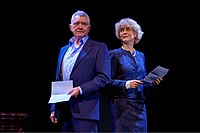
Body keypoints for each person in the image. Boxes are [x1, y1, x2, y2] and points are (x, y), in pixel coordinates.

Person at [49, 10, 111, 132]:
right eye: (76, 23)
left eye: (84, 24)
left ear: (89, 28)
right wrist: (53, 108)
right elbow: (58, 80)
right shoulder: (63, 50)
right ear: (70, 27)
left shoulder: (99, 47)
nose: (80, 26)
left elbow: (104, 78)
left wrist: (80, 89)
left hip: (85, 111)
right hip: (64, 110)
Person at [109, 18, 162, 132]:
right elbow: (107, 81)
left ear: (135, 33)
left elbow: (142, 84)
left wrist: (152, 83)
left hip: (140, 107)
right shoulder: (113, 54)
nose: (124, 32)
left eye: (128, 29)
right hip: (122, 108)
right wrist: (126, 84)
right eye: (122, 30)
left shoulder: (140, 56)